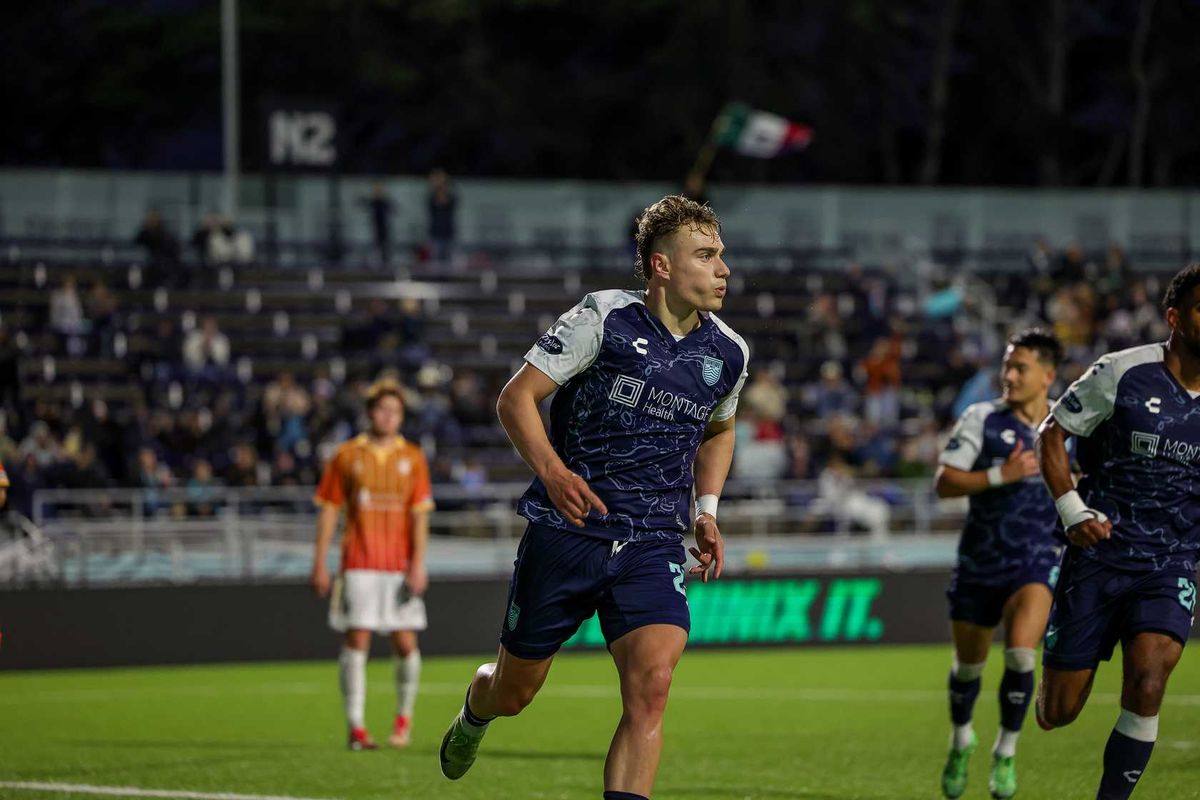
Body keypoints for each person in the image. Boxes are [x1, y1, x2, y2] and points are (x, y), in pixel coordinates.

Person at [438, 195, 748, 800]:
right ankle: (476, 713)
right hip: (569, 531)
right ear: (662, 266)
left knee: (652, 686)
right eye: (706, 256)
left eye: (722, 256)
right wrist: (552, 472)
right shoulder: (603, 319)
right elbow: (515, 398)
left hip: (654, 541)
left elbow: (720, 427)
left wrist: (705, 511)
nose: (723, 269)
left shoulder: (728, 352)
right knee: (515, 692)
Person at [1035, 263, 1200, 799]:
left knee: (1151, 678)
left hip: (1171, 560)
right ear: (1176, 317)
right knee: (1056, 711)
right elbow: (1052, 433)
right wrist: (1073, 510)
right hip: (1101, 554)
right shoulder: (1123, 371)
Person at [934, 328, 1066, 799]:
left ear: (1048, 374)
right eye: (1007, 366)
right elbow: (945, 483)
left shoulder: (1069, 426)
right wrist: (1001, 474)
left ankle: (1006, 751)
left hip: (1036, 559)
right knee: (968, 668)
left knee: (1021, 653)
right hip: (979, 561)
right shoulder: (982, 419)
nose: (1009, 375)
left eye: (1020, 367)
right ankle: (960, 738)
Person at [312, 379, 435, 751]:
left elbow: (420, 517)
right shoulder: (346, 455)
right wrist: (319, 562)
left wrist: (419, 564)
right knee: (357, 638)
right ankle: (356, 727)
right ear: (369, 413)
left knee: (405, 642)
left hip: (398, 565)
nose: (388, 416)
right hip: (358, 563)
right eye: (382, 409)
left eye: (395, 411)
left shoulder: (413, 457)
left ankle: (403, 720)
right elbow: (330, 511)